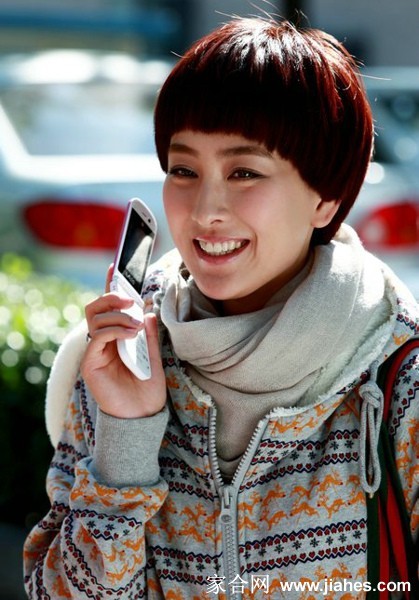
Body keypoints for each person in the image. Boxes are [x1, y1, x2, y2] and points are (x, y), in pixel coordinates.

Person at [24, 16, 419, 599]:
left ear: (327, 197)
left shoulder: (398, 371)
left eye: (244, 172)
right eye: (183, 170)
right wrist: (127, 438)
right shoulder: (119, 355)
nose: (206, 209)